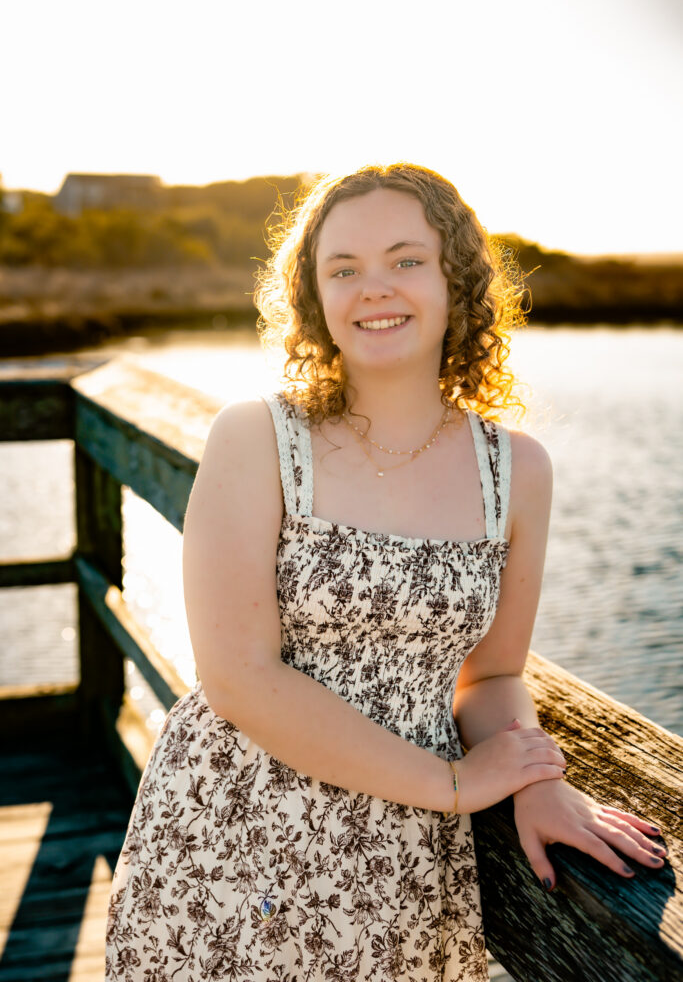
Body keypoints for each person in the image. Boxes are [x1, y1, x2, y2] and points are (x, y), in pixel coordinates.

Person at [105, 163, 666, 981]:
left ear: (455, 282)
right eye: (344, 269)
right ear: (315, 297)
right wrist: (453, 783)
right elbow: (236, 676)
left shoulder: (516, 470)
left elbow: (495, 673)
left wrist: (536, 780)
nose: (375, 288)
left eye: (406, 260)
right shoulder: (257, 439)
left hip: (398, 859)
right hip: (230, 832)